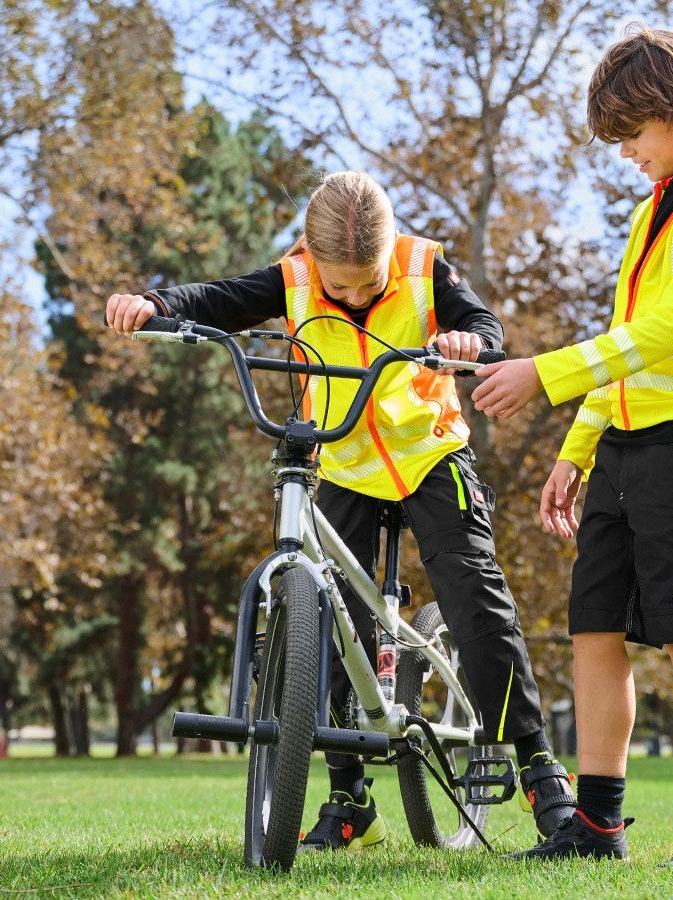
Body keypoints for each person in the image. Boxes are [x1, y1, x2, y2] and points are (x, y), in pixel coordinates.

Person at [106, 170, 576, 851]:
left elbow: (482, 324)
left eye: (369, 284)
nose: (355, 297)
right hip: (347, 463)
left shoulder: (422, 266)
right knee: (326, 622)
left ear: (389, 252)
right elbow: (218, 299)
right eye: (340, 287)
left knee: (475, 597)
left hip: (429, 455)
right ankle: (350, 796)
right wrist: (152, 304)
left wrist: (467, 342)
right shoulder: (292, 278)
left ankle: (539, 769)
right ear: (310, 254)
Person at [470, 26, 673, 867]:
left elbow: (670, 330)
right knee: (595, 629)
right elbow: (626, 343)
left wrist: (545, 374)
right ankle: (597, 826)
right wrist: (577, 449)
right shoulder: (656, 207)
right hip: (621, 445)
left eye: (633, 134)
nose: (626, 154)